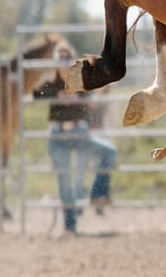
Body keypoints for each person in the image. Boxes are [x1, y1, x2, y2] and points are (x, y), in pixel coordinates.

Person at [45, 84, 117, 234]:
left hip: (80, 132)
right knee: (67, 181)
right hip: (59, 134)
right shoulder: (51, 76)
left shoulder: (80, 77)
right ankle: (70, 225)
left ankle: (98, 194)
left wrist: (100, 87)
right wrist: (57, 94)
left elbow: (93, 102)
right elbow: (36, 92)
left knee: (109, 152)